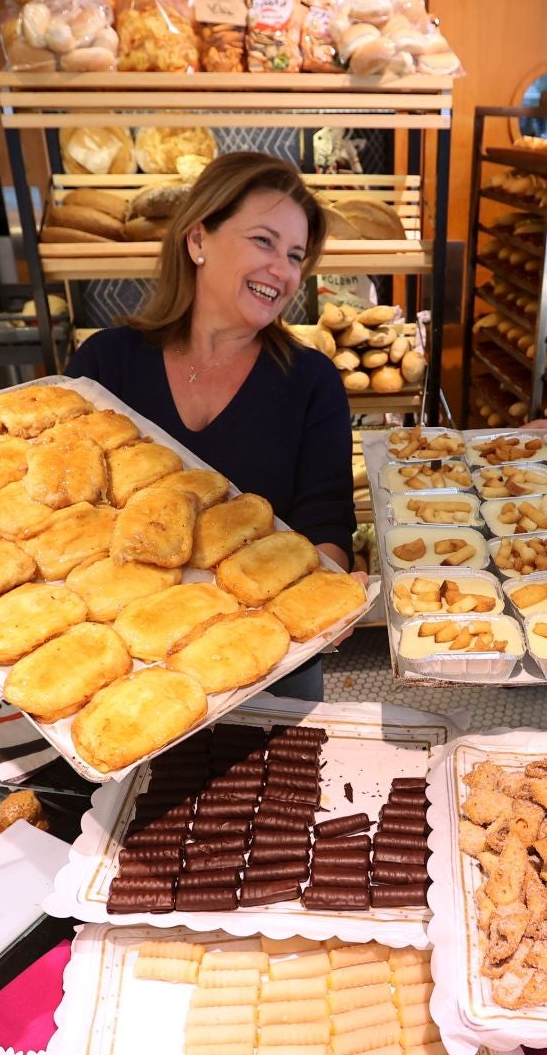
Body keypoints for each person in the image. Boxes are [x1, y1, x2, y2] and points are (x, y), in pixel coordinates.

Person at [67, 152, 355, 701]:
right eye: (264, 241)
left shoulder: (310, 379)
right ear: (198, 240)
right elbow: (68, 510)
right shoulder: (106, 364)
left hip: (265, 660)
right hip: (118, 661)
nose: (283, 270)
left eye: (296, 255)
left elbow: (328, 518)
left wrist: (328, 588)